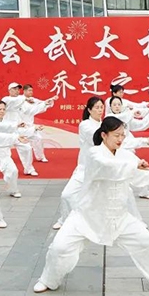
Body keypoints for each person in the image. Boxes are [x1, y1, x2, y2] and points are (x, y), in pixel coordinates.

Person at [33, 116, 149, 294]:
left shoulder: (127, 156)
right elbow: (107, 167)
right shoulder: (94, 154)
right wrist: (134, 164)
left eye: (123, 135)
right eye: (116, 135)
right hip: (86, 216)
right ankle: (48, 279)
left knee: (147, 243)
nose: (121, 139)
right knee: (60, 248)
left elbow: (140, 177)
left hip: (118, 217)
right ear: (104, 135)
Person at [52, 97, 104, 230]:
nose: (100, 110)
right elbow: (96, 139)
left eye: (101, 107)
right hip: (84, 168)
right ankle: (64, 219)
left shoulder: (106, 124)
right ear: (89, 110)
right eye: (97, 107)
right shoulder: (85, 125)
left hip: (102, 169)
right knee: (67, 194)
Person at [108, 96, 149, 200]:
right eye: (114, 105)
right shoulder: (109, 119)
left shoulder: (127, 118)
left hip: (127, 148)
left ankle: (144, 191)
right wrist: (143, 141)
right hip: (115, 151)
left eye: (119, 104)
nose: (117, 107)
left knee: (141, 168)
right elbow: (123, 119)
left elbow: (141, 125)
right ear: (110, 107)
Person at [0, 100, 30, 198]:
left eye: (4, 109)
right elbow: (0, 127)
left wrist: (23, 137)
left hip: (4, 152)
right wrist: (15, 126)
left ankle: (13, 190)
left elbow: (14, 134)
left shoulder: (9, 123)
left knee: (13, 171)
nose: (2, 111)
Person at [2, 83, 39, 176]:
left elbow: (30, 108)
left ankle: (29, 169)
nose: (17, 91)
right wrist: (25, 98)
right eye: (15, 89)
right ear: (10, 90)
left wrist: (45, 103)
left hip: (17, 131)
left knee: (27, 148)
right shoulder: (5, 100)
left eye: (18, 89)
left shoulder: (21, 102)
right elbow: (14, 101)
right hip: (5, 131)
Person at [21, 84, 56, 163]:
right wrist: (43, 104)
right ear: (24, 91)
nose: (31, 92)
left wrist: (50, 100)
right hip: (21, 126)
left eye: (32, 90)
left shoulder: (33, 100)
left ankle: (40, 157)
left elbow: (42, 103)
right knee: (21, 144)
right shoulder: (20, 101)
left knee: (38, 139)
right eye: (29, 90)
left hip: (30, 126)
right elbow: (31, 110)